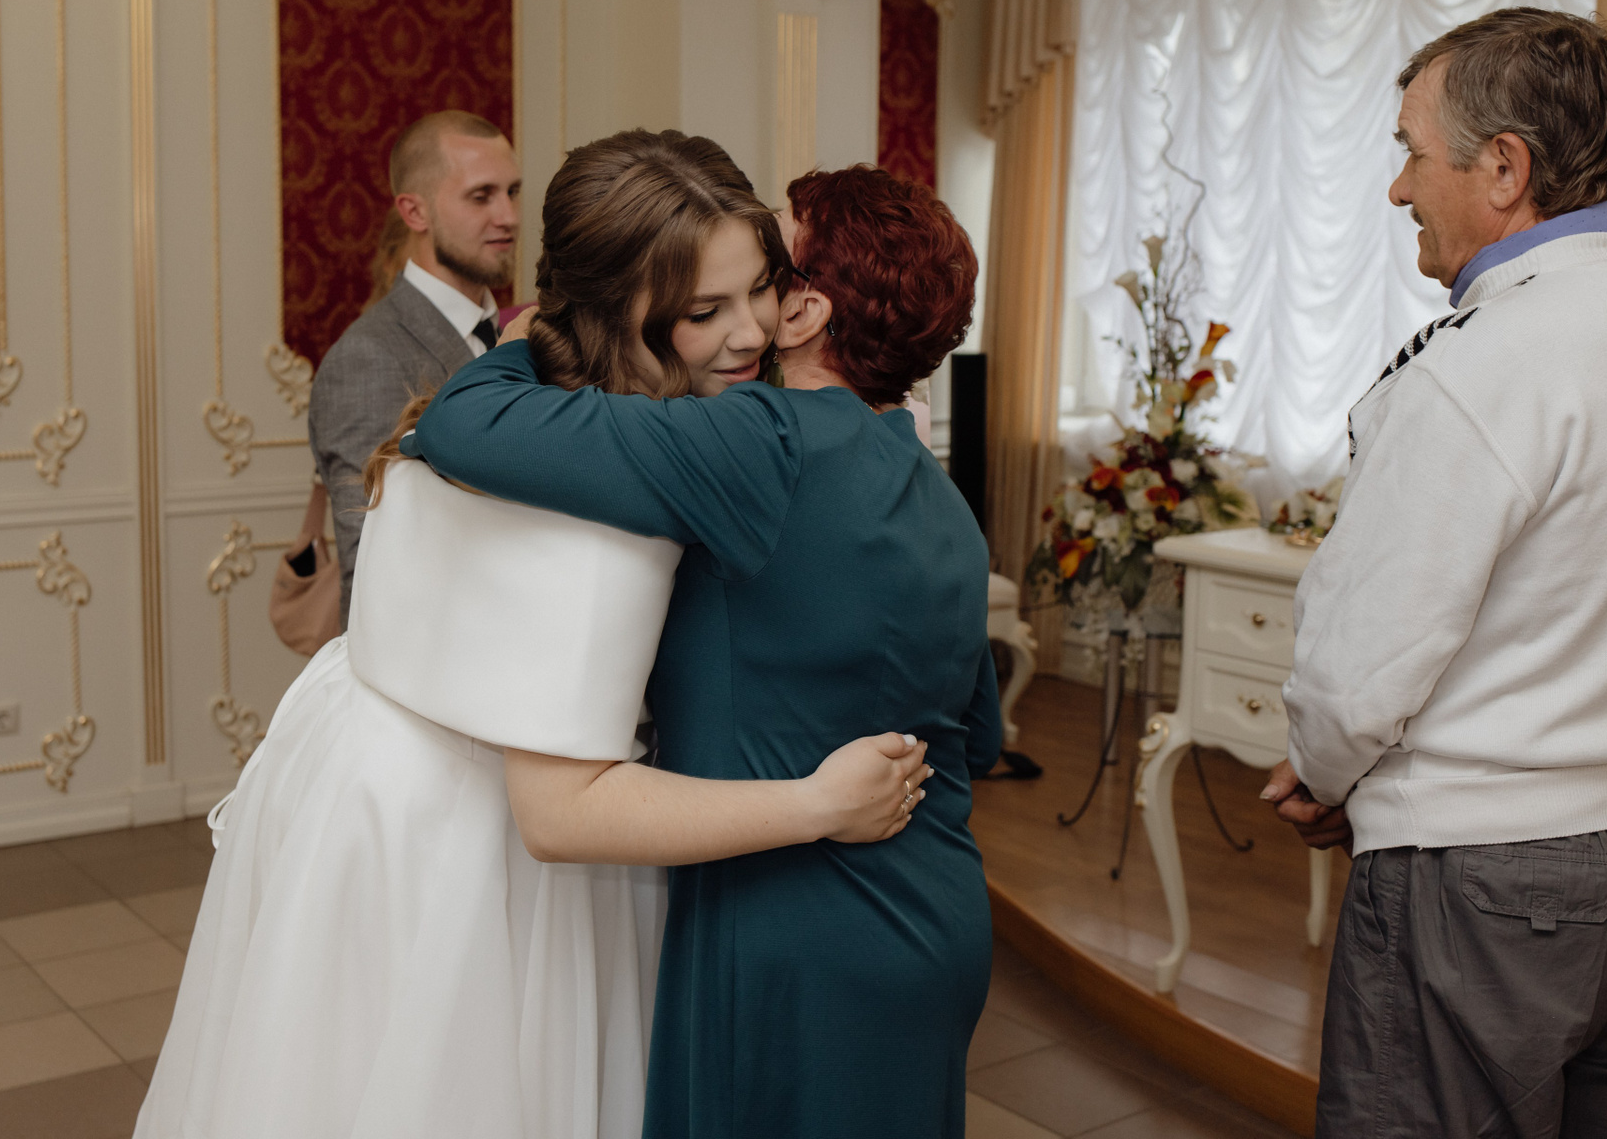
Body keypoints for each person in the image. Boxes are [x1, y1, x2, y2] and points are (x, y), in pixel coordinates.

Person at [135, 132, 932, 1139]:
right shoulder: (614, 493)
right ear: (621, 313)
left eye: (761, 289)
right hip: (473, 836)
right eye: (705, 311)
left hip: (355, 777)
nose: (752, 333)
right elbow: (561, 815)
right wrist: (818, 803)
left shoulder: (530, 387)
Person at [412, 161, 1000, 1138]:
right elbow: (976, 734)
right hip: (939, 915)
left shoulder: (764, 441)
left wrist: (531, 332)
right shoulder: (942, 501)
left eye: (770, 268)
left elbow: (464, 424)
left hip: (796, 934)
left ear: (803, 311)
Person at [1261, 9, 1607, 1138]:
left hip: (1495, 877)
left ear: (1505, 168)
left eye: (1412, 153)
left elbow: (1363, 666)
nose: (1398, 189)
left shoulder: (1481, 367)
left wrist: (1323, 773)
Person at [308, 109, 522, 619]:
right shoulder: (366, 359)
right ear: (414, 212)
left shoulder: (517, 335)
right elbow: (373, 571)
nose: (509, 216)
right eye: (481, 196)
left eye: (513, 191)